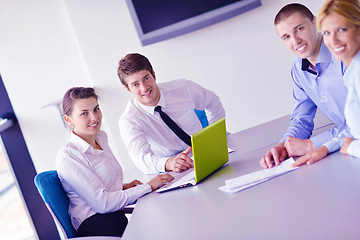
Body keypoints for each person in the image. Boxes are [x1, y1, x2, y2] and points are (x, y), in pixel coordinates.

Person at [56, 87, 174, 237]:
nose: (94, 117)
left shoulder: (100, 139)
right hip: (97, 226)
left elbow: (100, 187)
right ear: (68, 119)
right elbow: (102, 203)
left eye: (96, 109)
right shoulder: (69, 156)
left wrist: (124, 187)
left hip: (113, 216)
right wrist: (148, 186)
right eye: (84, 113)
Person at [260, 3, 347, 169]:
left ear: (315, 22)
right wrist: (284, 146)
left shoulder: (344, 53)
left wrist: (312, 145)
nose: (295, 41)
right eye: (286, 37)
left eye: (299, 29)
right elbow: (302, 119)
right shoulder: (298, 68)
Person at [118, 53, 225, 174]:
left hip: (209, 154)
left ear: (154, 74)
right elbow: (141, 159)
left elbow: (213, 102)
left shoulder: (183, 88)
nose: (144, 88)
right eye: (135, 84)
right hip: (174, 170)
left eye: (146, 78)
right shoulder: (129, 120)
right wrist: (169, 163)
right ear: (127, 88)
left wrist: (214, 136)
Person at [315, 0, 360, 158]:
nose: (333, 41)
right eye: (326, 33)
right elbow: (355, 129)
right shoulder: (351, 71)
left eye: (341, 30)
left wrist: (352, 148)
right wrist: (326, 148)